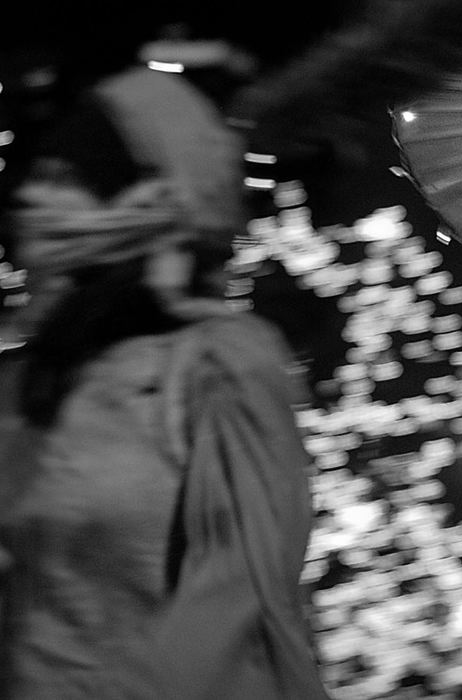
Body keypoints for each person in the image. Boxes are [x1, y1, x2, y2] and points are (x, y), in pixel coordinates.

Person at [0, 67, 329, 699]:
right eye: (38, 175)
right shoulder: (28, 380)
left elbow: (241, 600)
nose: (33, 200)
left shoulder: (221, 366)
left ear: (144, 197)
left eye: (67, 180)